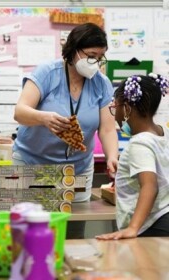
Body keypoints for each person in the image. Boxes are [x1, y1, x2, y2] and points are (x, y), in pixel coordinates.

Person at [12, 23, 118, 238]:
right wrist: (43, 118)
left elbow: (107, 129)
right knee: (30, 232)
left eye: (100, 56)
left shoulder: (101, 83)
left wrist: (112, 157)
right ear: (73, 50)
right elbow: (20, 112)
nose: (95, 62)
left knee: (71, 233)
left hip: (76, 170)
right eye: (91, 55)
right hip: (33, 164)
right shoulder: (48, 73)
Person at [96, 73, 169, 240]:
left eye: (116, 108)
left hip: (150, 226)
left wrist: (132, 228)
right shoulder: (163, 134)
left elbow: (149, 186)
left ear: (127, 108)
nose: (116, 116)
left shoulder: (139, 143)